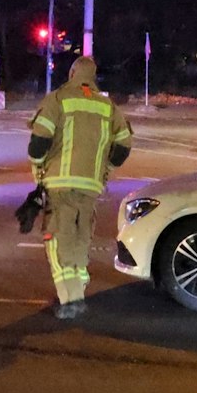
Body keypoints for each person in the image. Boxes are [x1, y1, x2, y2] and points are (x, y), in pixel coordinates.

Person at [28, 55, 133, 320]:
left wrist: (38, 166)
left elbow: (38, 143)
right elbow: (123, 146)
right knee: (80, 237)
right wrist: (104, 167)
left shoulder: (57, 99)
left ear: (72, 72)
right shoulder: (108, 106)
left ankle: (70, 299)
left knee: (57, 238)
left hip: (59, 183)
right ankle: (77, 288)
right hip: (91, 186)